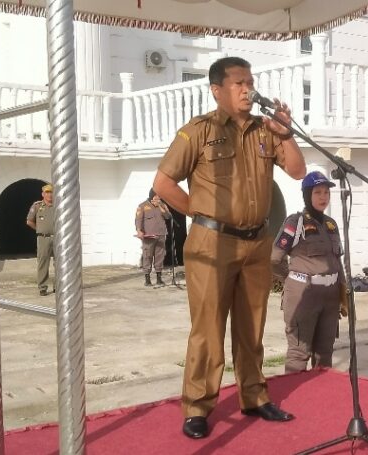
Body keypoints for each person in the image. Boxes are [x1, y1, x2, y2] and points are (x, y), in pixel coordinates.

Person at [152, 56, 307, 439]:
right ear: (217, 90)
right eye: (239, 83)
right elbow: (164, 184)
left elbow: (297, 171)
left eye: (250, 82)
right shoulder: (198, 131)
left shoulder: (264, 130)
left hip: (256, 242)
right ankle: (197, 406)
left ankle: (253, 396)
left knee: (252, 325)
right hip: (212, 244)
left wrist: (286, 133)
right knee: (207, 329)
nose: (247, 89)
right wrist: (200, 214)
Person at [271, 171, 346, 374]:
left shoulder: (331, 225)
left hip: (330, 298)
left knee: (325, 354)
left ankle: (320, 394)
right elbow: (275, 258)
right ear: (307, 195)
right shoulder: (295, 223)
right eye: (317, 192)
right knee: (299, 353)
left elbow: (337, 261)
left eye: (326, 192)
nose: (323, 197)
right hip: (303, 295)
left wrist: (343, 292)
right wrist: (289, 280)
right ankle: (295, 393)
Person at [136, 189, 172, 287]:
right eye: (156, 195)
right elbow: (138, 219)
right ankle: (147, 279)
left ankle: (159, 279)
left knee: (160, 256)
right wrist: (139, 231)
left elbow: (168, 216)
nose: (158, 197)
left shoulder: (163, 205)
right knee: (147, 256)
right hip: (149, 236)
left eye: (159, 196)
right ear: (151, 195)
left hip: (161, 235)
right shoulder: (142, 206)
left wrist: (160, 206)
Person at [26, 183, 55, 296]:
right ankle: (43, 287)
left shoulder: (58, 206)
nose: (49, 195)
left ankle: (58, 286)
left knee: (60, 263)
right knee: (43, 263)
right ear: (43, 194)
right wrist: (39, 230)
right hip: (43, 238)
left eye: (51, 192)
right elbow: (29, 221)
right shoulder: (37, 206)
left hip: (58, 238)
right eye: (47, 192)